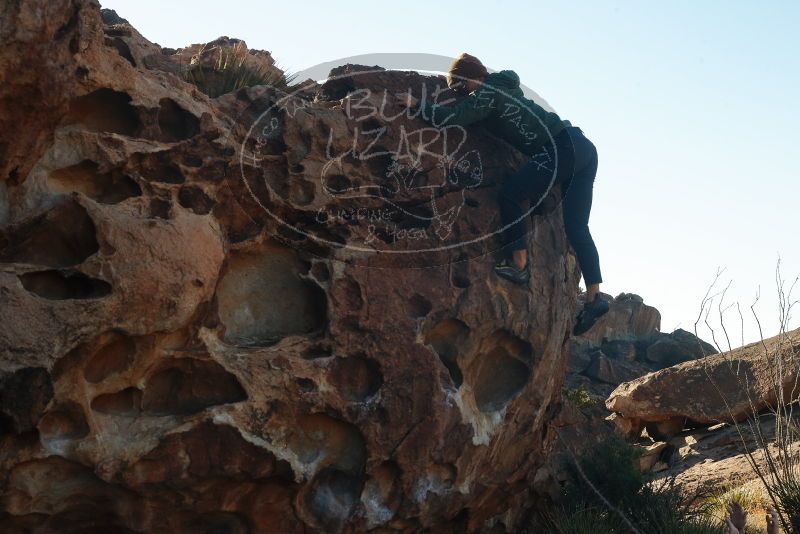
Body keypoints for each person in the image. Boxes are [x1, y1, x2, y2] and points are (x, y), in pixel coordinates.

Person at [396, 52, 609, 335]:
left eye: (459, 86)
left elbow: (453, 117)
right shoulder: (506, 86)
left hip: (561, 148)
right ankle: (595, 297)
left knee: (511, 194)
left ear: (470, 77)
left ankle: (518, 263)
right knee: (577, 226)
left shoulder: (486, 93)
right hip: (583, 147)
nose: (460, 93)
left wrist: (416, 105)